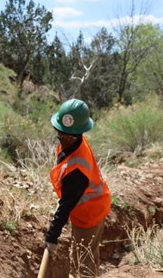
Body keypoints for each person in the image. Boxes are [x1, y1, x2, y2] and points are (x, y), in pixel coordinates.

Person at [45, 99, 111, 277]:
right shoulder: (76, 141)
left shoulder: (77, 169)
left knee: (82, 263)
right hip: (95, 204)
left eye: (67, 136)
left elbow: (66, 204)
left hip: (89, 214)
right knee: (87, 256)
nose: (63, 139)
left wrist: (52, 235)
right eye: (60, 133)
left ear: (79, 133)